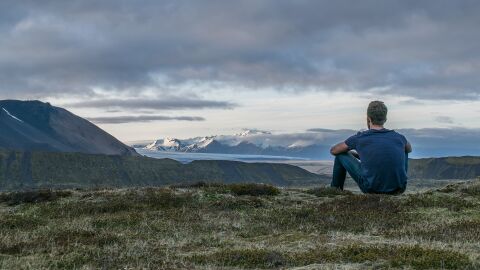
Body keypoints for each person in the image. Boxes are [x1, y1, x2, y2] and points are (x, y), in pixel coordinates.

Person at [329, 101, 412, 194]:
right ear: (385, 119)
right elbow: (409, 149)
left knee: (340, 154)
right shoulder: (399, 137)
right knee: (405, 149)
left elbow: (334, 151)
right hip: (399, 188)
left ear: (368, 119)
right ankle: (397, 182)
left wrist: (351, 152)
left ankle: (335, 190)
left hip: (371, 189)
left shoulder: (360, 138)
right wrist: (359, 155)